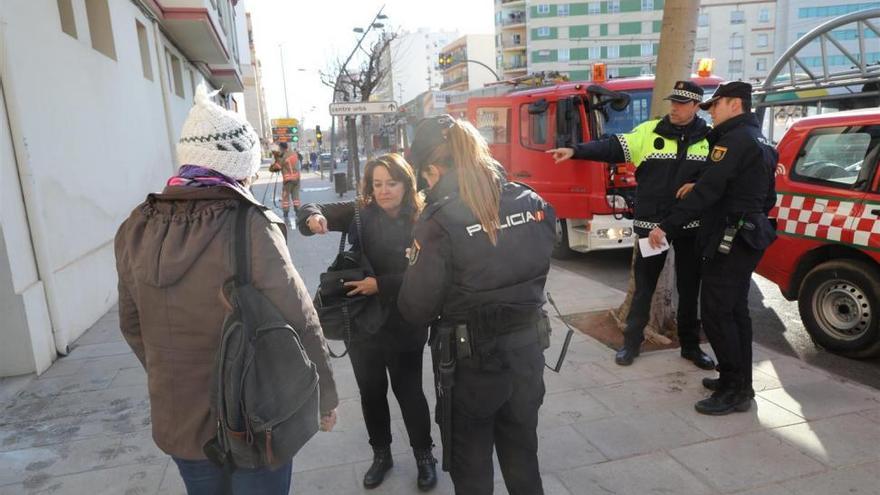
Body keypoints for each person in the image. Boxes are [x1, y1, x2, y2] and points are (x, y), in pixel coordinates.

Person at [114, 83, 339, 494]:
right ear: (238, 166)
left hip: (179, 420)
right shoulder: (250, 223)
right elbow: (298, 314)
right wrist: (324, 391)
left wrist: (171, 376)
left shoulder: (135, 226)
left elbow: (131, 324)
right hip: (254, 419)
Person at [399, 115, 556, 495]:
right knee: (523, 459)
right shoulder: (531, 200)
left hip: (471, 367)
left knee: (472, 473)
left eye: (425, 178)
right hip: (526, 354)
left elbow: (415, 309)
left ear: (433, 169)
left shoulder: (437, 222)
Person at [547, 80, 715, 370]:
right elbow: (612, 146)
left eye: (681, 103)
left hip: (691, 225)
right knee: (644, 288)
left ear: (696, 107)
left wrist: (698, 182)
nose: (674, 107)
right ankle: (631, 343)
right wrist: (575, 150)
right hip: (653, 226)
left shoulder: (711, 139)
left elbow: (720, 174)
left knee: (690, 289)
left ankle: (689, 346)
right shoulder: (649, 132)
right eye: (672, 101)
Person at [297, 154, 438, 491]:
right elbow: (309, 212)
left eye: (391, 183)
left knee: (410, 392)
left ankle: (424, 456)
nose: (384, 191)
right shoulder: (360, 211)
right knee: (371, 392)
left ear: (406, 183)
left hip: (406, 321)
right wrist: (314, 219)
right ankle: (381, 455)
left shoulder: (423, 218)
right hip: (361, 323)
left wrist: (382, 284)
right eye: (377, 184)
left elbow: (430, 273)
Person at [648, 81, 778, 415]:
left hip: (730, 238)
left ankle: (734, 392)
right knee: (735, 313)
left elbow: (707, 192)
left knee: (718, 314)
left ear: (734, 104)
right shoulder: (761, 141)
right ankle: (737, 381)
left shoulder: (733, 141)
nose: (711, 113)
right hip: (749, 233)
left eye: (714, 106)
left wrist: (667, 226)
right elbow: (768, 199)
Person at [277, 142, 301, 222]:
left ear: (282, 148)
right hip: (297, 179)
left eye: (279, 148)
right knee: (296, 196)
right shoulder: (294, 153)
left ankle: (286, 213)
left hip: (288, 181)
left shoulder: (283, 155)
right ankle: (298, 212)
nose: (279, 149)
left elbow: (278, 166)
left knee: (285, 197)